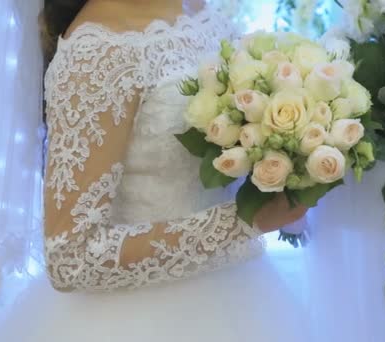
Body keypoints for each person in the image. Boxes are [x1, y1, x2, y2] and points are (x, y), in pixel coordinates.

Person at [41, 0, 306, 292]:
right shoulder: (96, 52)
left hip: (241, 289)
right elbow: (69, 260)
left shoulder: (196, 7)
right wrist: (242, 222)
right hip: (147, 315)